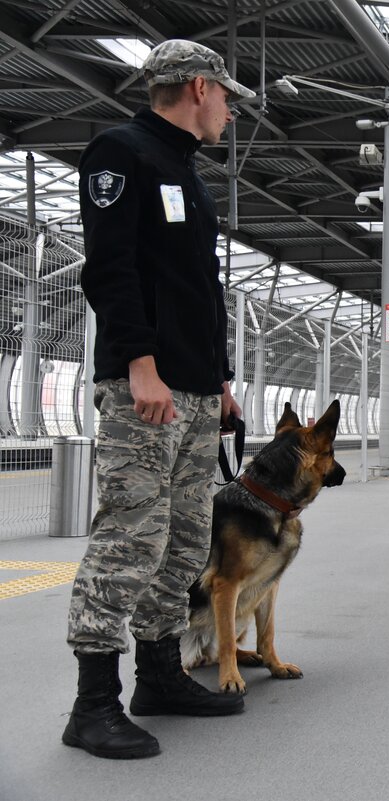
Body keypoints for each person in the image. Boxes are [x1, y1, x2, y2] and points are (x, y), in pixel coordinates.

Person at [63, 40, 255, 760]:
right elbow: (110, 269)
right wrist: (141, 366)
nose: (231, 113)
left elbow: (199, 289)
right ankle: (93, 705)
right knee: (129, 539)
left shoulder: (188, 172)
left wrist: (224, 380)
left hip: (198, 390)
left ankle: (160, 676)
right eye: (227, 99)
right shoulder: (122, 152)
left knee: (181, 543)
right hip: (146, 387)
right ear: (198, 87)